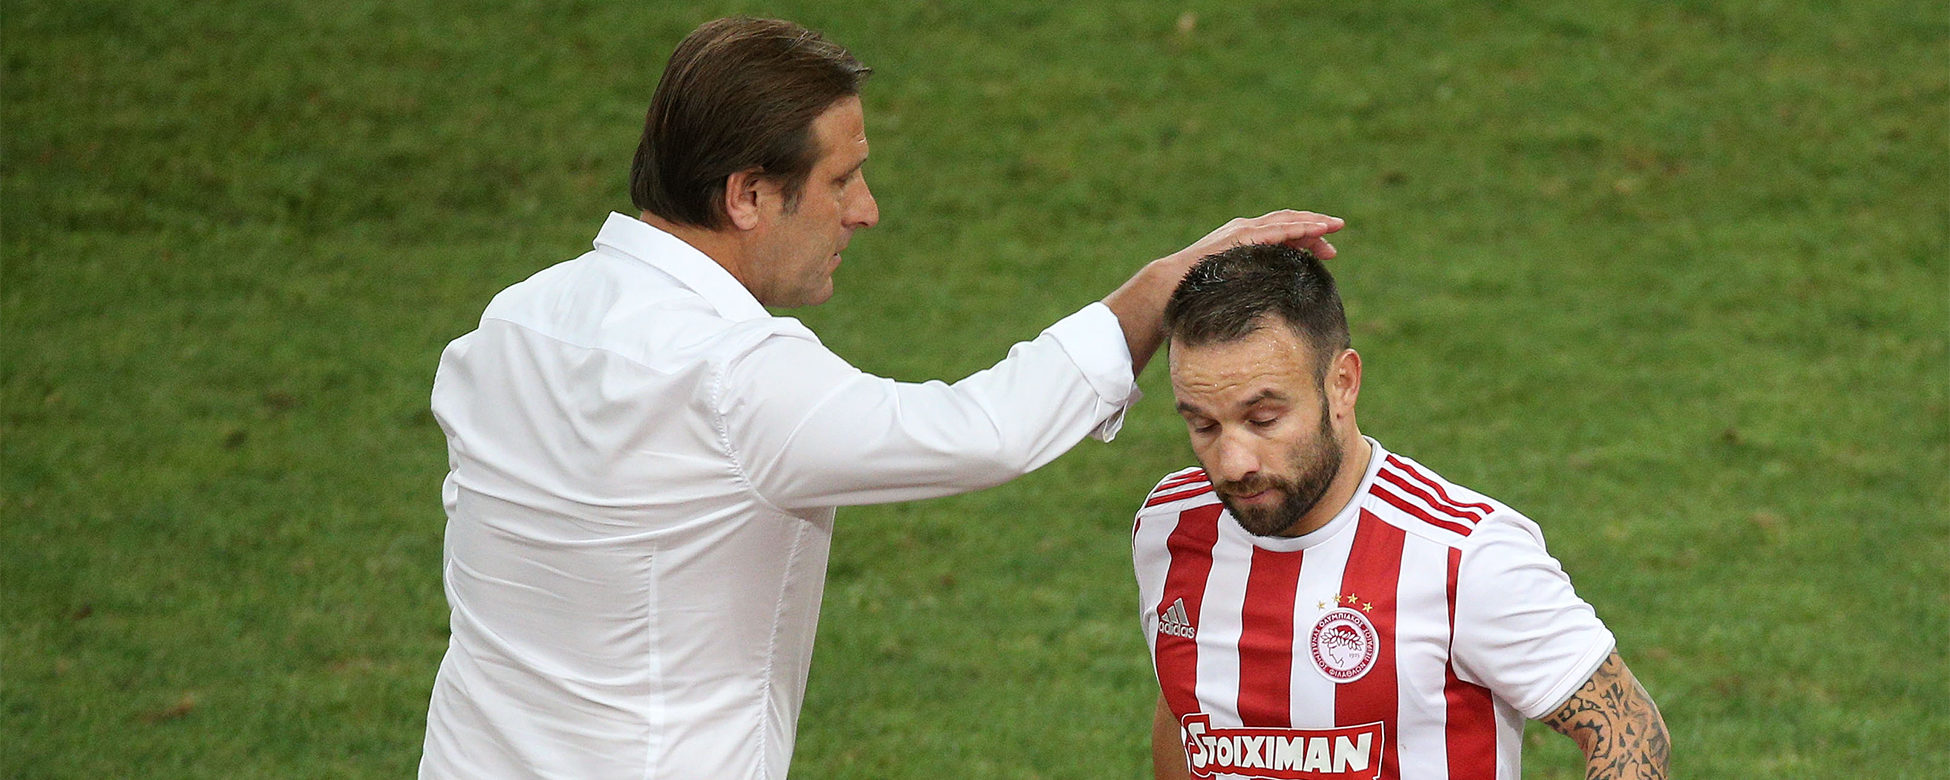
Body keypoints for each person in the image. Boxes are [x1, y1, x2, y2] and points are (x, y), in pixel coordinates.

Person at [418, 16, 1345, 780]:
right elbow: (983, 433)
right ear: (747, 196)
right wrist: (1152, 293)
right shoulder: (734, 376)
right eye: (840, 179)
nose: (865, 210)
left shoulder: (510, 323)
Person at [1133, 244, 1669, 779]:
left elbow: (1628, 729)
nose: (1233, 464)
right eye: (1203, 425)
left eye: (1264, 419)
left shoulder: (1462, 557)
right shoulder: (1171, 527)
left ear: (1342, 384)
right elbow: (1187, 708)